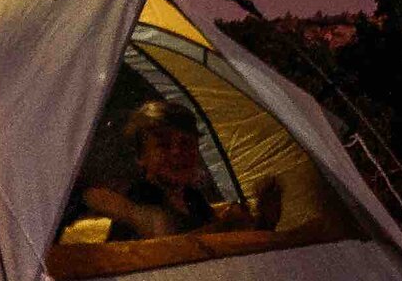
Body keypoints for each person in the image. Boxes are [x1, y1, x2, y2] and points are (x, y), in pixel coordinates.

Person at [82, 101, 281, 241]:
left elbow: (223, 257)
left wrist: (265, 221)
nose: (177, 152)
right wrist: (225, 226)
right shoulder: (140, 197)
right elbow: (164, 255)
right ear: (141, 157)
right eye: (164, 145)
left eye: (186, 144)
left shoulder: (193, 199)